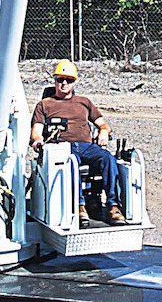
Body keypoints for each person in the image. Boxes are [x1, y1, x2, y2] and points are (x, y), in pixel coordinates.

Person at [29, 60, 126, 225]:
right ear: (55, 81)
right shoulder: (44, 105)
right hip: (62, 148)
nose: (64, 83)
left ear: (74, 82)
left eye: (68, 80)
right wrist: (38, 141)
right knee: (72, 163)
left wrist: (103, 131)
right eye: (60, 79)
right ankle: (80, 206)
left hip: (86, 146)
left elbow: (103, 124)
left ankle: (113, 205)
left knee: (108, 159)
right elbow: (36, 132)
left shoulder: (84, 102)